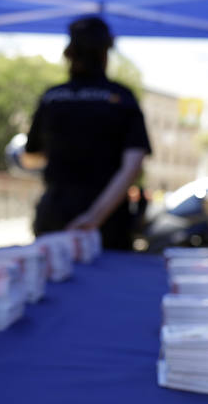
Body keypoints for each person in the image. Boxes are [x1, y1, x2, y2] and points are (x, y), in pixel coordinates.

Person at [22, 15, 151, 250]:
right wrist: (94, 216)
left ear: (69, 52)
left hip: (55, 215)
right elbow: (133, 165)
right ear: (106, 52)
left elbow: (31, 157)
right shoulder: (121, 97)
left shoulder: (52, 97)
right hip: (107, 222)